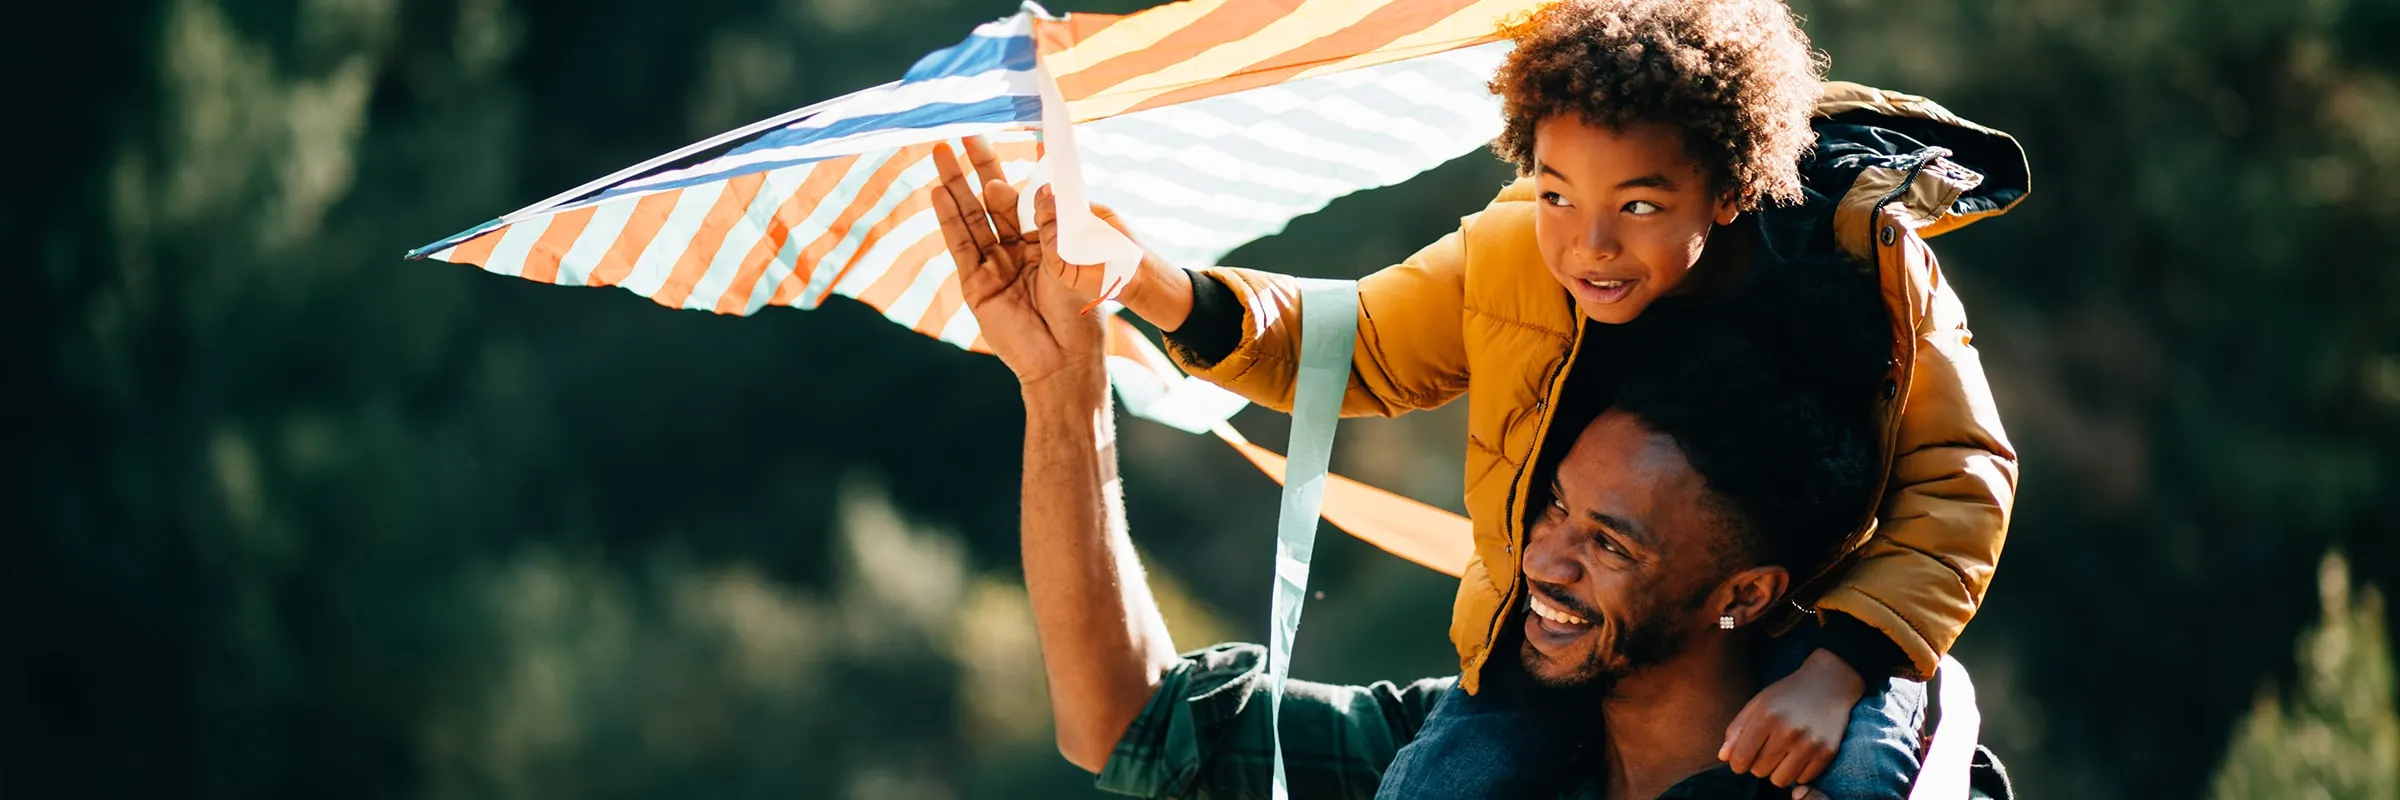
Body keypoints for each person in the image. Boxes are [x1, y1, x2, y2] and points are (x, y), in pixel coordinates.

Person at [930, 0, 2027, 793]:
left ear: (1732, 187)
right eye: (1555, 193)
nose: (1588, 243)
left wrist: (1847, 662)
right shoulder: (1513, 260)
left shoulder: (1862, 263)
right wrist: (1130, 306)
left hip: (1842, 647)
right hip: (1540, 677)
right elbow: (1346, 347)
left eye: (1639, 205)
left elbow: (1961, 477)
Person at [953, 180, 1913, 798]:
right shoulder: (1453, 755)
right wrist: (1060, 384)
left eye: (1612, 545)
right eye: (1555, 508)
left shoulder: (1883, 778)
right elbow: (1128, 726)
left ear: (1744, 593)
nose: (1546, 558)